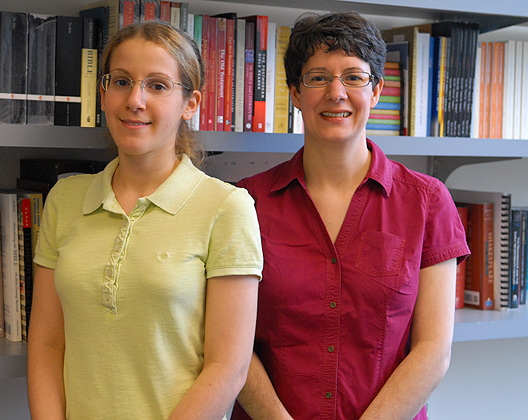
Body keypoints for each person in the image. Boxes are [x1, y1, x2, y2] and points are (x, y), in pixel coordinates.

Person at [231, 11, 470, 420]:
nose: (336, 93)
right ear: (294, 91)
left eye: (354, 77)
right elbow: (231, 346)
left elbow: (433, 350)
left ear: (375, 91)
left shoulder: (429, 201)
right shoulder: (244, 203)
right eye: (318, 77)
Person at [27, 21, 262, 420]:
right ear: (103, 93)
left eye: (157, 85)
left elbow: (229, 367)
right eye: (121, 81)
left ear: (191, 103)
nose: (134, 100)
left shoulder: (227, 207)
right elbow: (48, 345)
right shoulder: (64, 200)